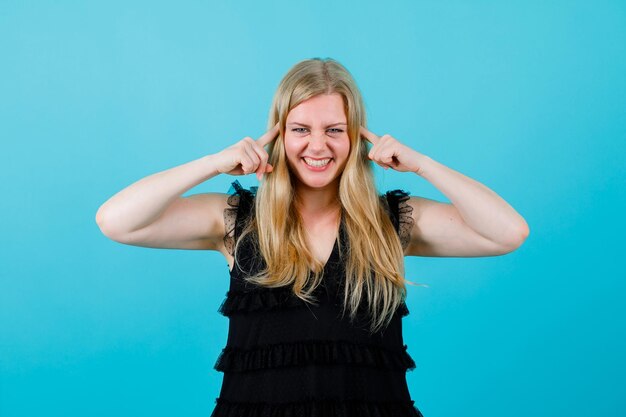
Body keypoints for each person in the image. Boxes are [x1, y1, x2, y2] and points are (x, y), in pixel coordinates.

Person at [96, 57, 529, 417]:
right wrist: (213, 162)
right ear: (278, 135)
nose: (317, 146)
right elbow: (116, 220)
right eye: (300, 129)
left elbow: (508, 232)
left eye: (334, 130)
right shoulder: (236, 219)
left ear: (356, 137)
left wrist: (422, 164)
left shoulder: (392, 221)